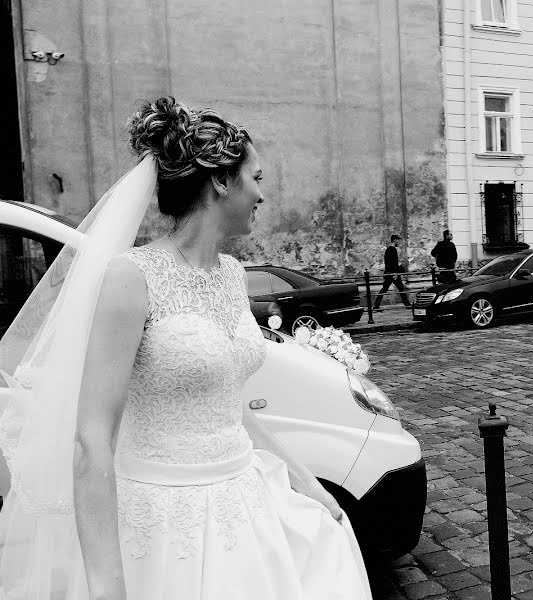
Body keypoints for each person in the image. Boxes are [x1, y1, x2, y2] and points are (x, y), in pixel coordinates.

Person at [0, 97, 371, 599]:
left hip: (244, 503)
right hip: (161, 519)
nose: (263, 194)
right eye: (256, 177)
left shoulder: (234, 275)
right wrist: (108, 588)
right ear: (221, 180)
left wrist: (307, 481)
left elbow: (227, 405)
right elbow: (92, 438)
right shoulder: (131, 278)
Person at [373, 234, 410, 309]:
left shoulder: (388, 249)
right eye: (398, 240)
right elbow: (392, 263)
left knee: (385, 289)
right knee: (400, 288)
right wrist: (395, 273)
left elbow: (389, 263)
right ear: (395, 240)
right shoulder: (392, 250)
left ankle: (376, 305)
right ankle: (407, 304)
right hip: (393, 273)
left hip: (389, 273)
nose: (399, 242)